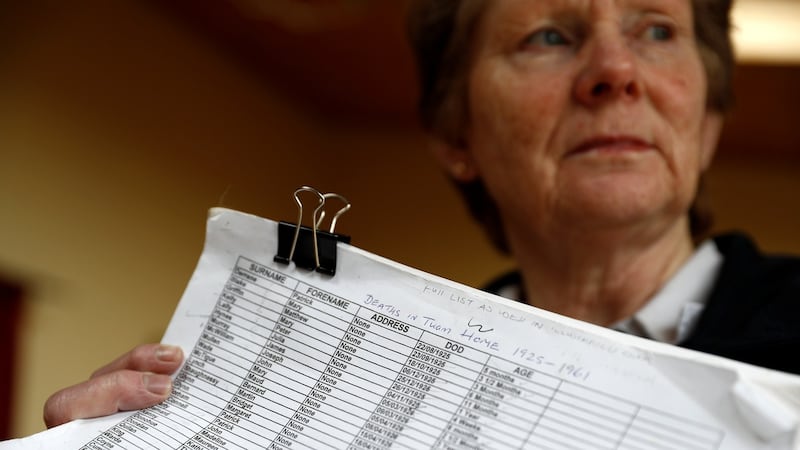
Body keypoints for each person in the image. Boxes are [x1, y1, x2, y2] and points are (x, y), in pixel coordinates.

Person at [42, 0, 800, 430]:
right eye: (549, 36)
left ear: (706, 120)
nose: (615, 72)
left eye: (657, 30)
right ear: (454, 135)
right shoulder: (340, 386)